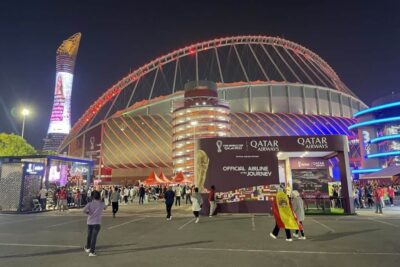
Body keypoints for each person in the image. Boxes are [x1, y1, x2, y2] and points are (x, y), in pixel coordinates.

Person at [83, 190, 106, 257]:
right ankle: (92, 252)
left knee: (89, 235)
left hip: (89, 222)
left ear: (92, 196)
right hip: (97, 223)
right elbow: (105, 207)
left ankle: (88, 247)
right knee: (94, 237)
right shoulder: (101, 203)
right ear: (99, 196)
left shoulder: (90, 203)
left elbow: (84, 210)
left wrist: (88, 213)